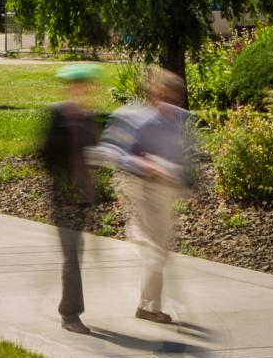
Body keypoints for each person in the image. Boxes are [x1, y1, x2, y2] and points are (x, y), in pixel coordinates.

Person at [95, 68, 195, 324]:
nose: (169, 104)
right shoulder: (136, 120)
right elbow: (115, 154)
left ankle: (139, 237)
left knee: (159, 247)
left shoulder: (178, 120)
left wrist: (179, 175)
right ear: (154, 95)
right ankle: (149, 307)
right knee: (157, 250)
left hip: (164, 189)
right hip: (140, 185)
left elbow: (184, 156)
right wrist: (145, 164)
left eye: (174, 99)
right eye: (164, 98)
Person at [39, 62, 103, 335]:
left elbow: (95, 152)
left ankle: (70, 311)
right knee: (72, 256)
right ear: (70, 87)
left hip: (83, 197)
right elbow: (45, 155)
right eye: (78, 85)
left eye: (86, 85)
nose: (83, 90)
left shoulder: (88, 119)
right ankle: (70, 314)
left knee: (75, 254)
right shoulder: (58, 116)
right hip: (63, 197)